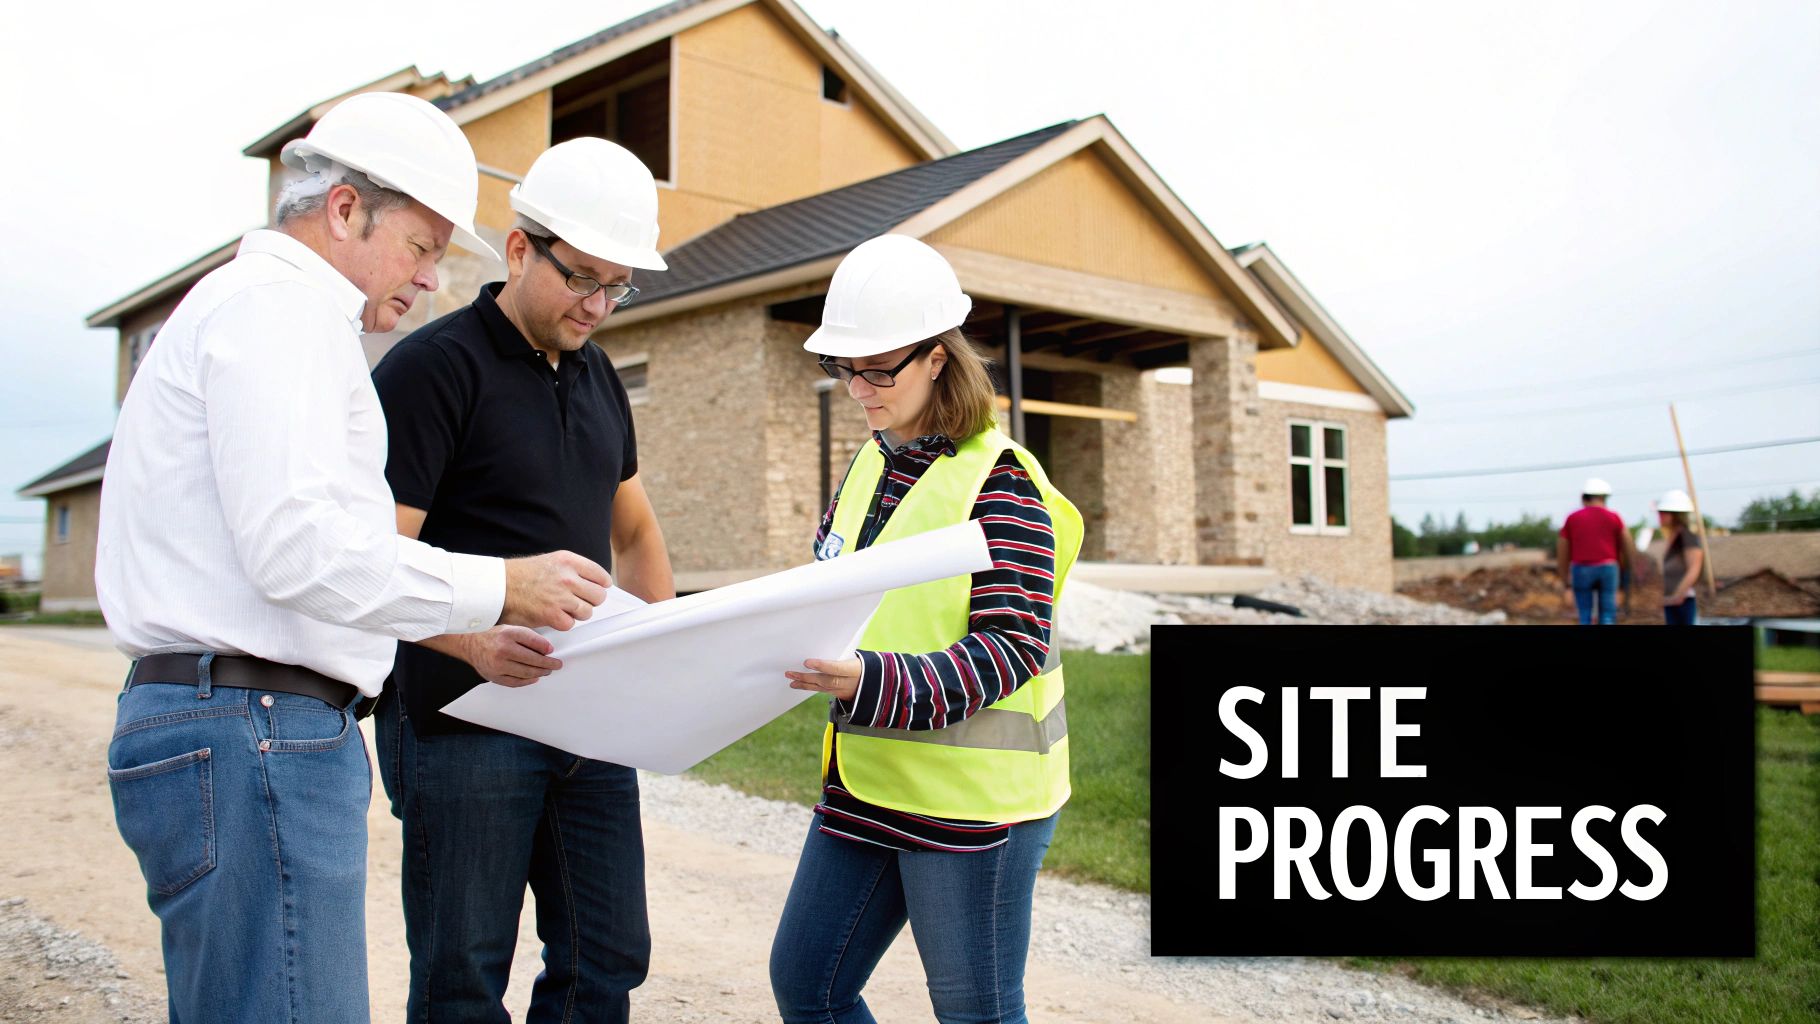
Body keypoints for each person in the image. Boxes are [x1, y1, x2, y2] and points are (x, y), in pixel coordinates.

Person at [95, 92, 613, 1023]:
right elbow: (300, 548)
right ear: (344, 210)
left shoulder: (255, 312)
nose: (430, 282)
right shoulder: (283, 313)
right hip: (256, 723)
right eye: (420, 249)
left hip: (227, 718)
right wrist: (500, 586)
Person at [370, 137, 673, 1024]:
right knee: (464, 971)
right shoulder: (433, 370)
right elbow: (374, 563)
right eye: (582, 277)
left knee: (609, 952)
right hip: (464, 718)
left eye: (618, 285)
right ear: (517, 249)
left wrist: (662, 652)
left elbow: (638, 528)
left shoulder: (598, 374)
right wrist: (472, 639)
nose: (600, 305)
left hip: (587, 719)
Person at [770, 235, 1083, 1024]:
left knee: (974, 1010)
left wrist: (877, 680)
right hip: (869, 779)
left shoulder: (1001, 480)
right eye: (846, 368)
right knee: (809, 985)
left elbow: (1012, 645)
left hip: (973, 805)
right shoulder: (871, 462)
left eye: (880, 369)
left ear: (939, 358)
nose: (858, 389)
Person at [1557, 477, 1633, 625]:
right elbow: (1627, 547)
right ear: (1604, 498)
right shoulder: (1614, 517)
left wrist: (1565, 581)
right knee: (1608, 614)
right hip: (1609, 568)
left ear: (1584, 498)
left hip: (1581, 569)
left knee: (1584, 614)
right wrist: (1626, 575)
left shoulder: (1572, 518)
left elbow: (1562, 551)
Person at [1657, 489, 1705, 626]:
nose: (1659, 516)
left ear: (1674, 514)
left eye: (1663, 512)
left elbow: (1694, 568)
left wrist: (1679, 594)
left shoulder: (1687, 536)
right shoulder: (1673, 536)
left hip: (1683, 601)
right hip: (1670, 599)